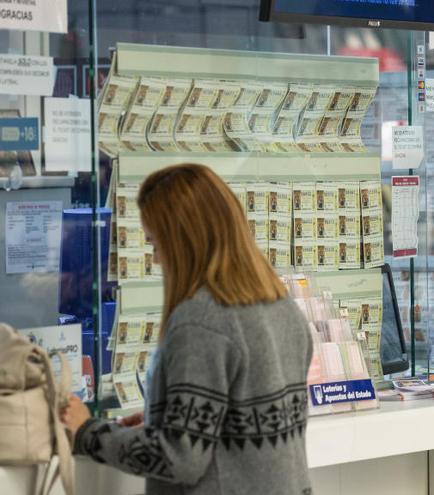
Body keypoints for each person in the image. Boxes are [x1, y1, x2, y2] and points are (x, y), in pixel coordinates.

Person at [62, 163, 314, 495]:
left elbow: (179, 459)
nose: (155, 259)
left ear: (183, 241)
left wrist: (87, 432)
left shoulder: (201, 321)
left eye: (155, 243)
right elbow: (243, 419)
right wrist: (165, 413)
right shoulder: (282, 308)